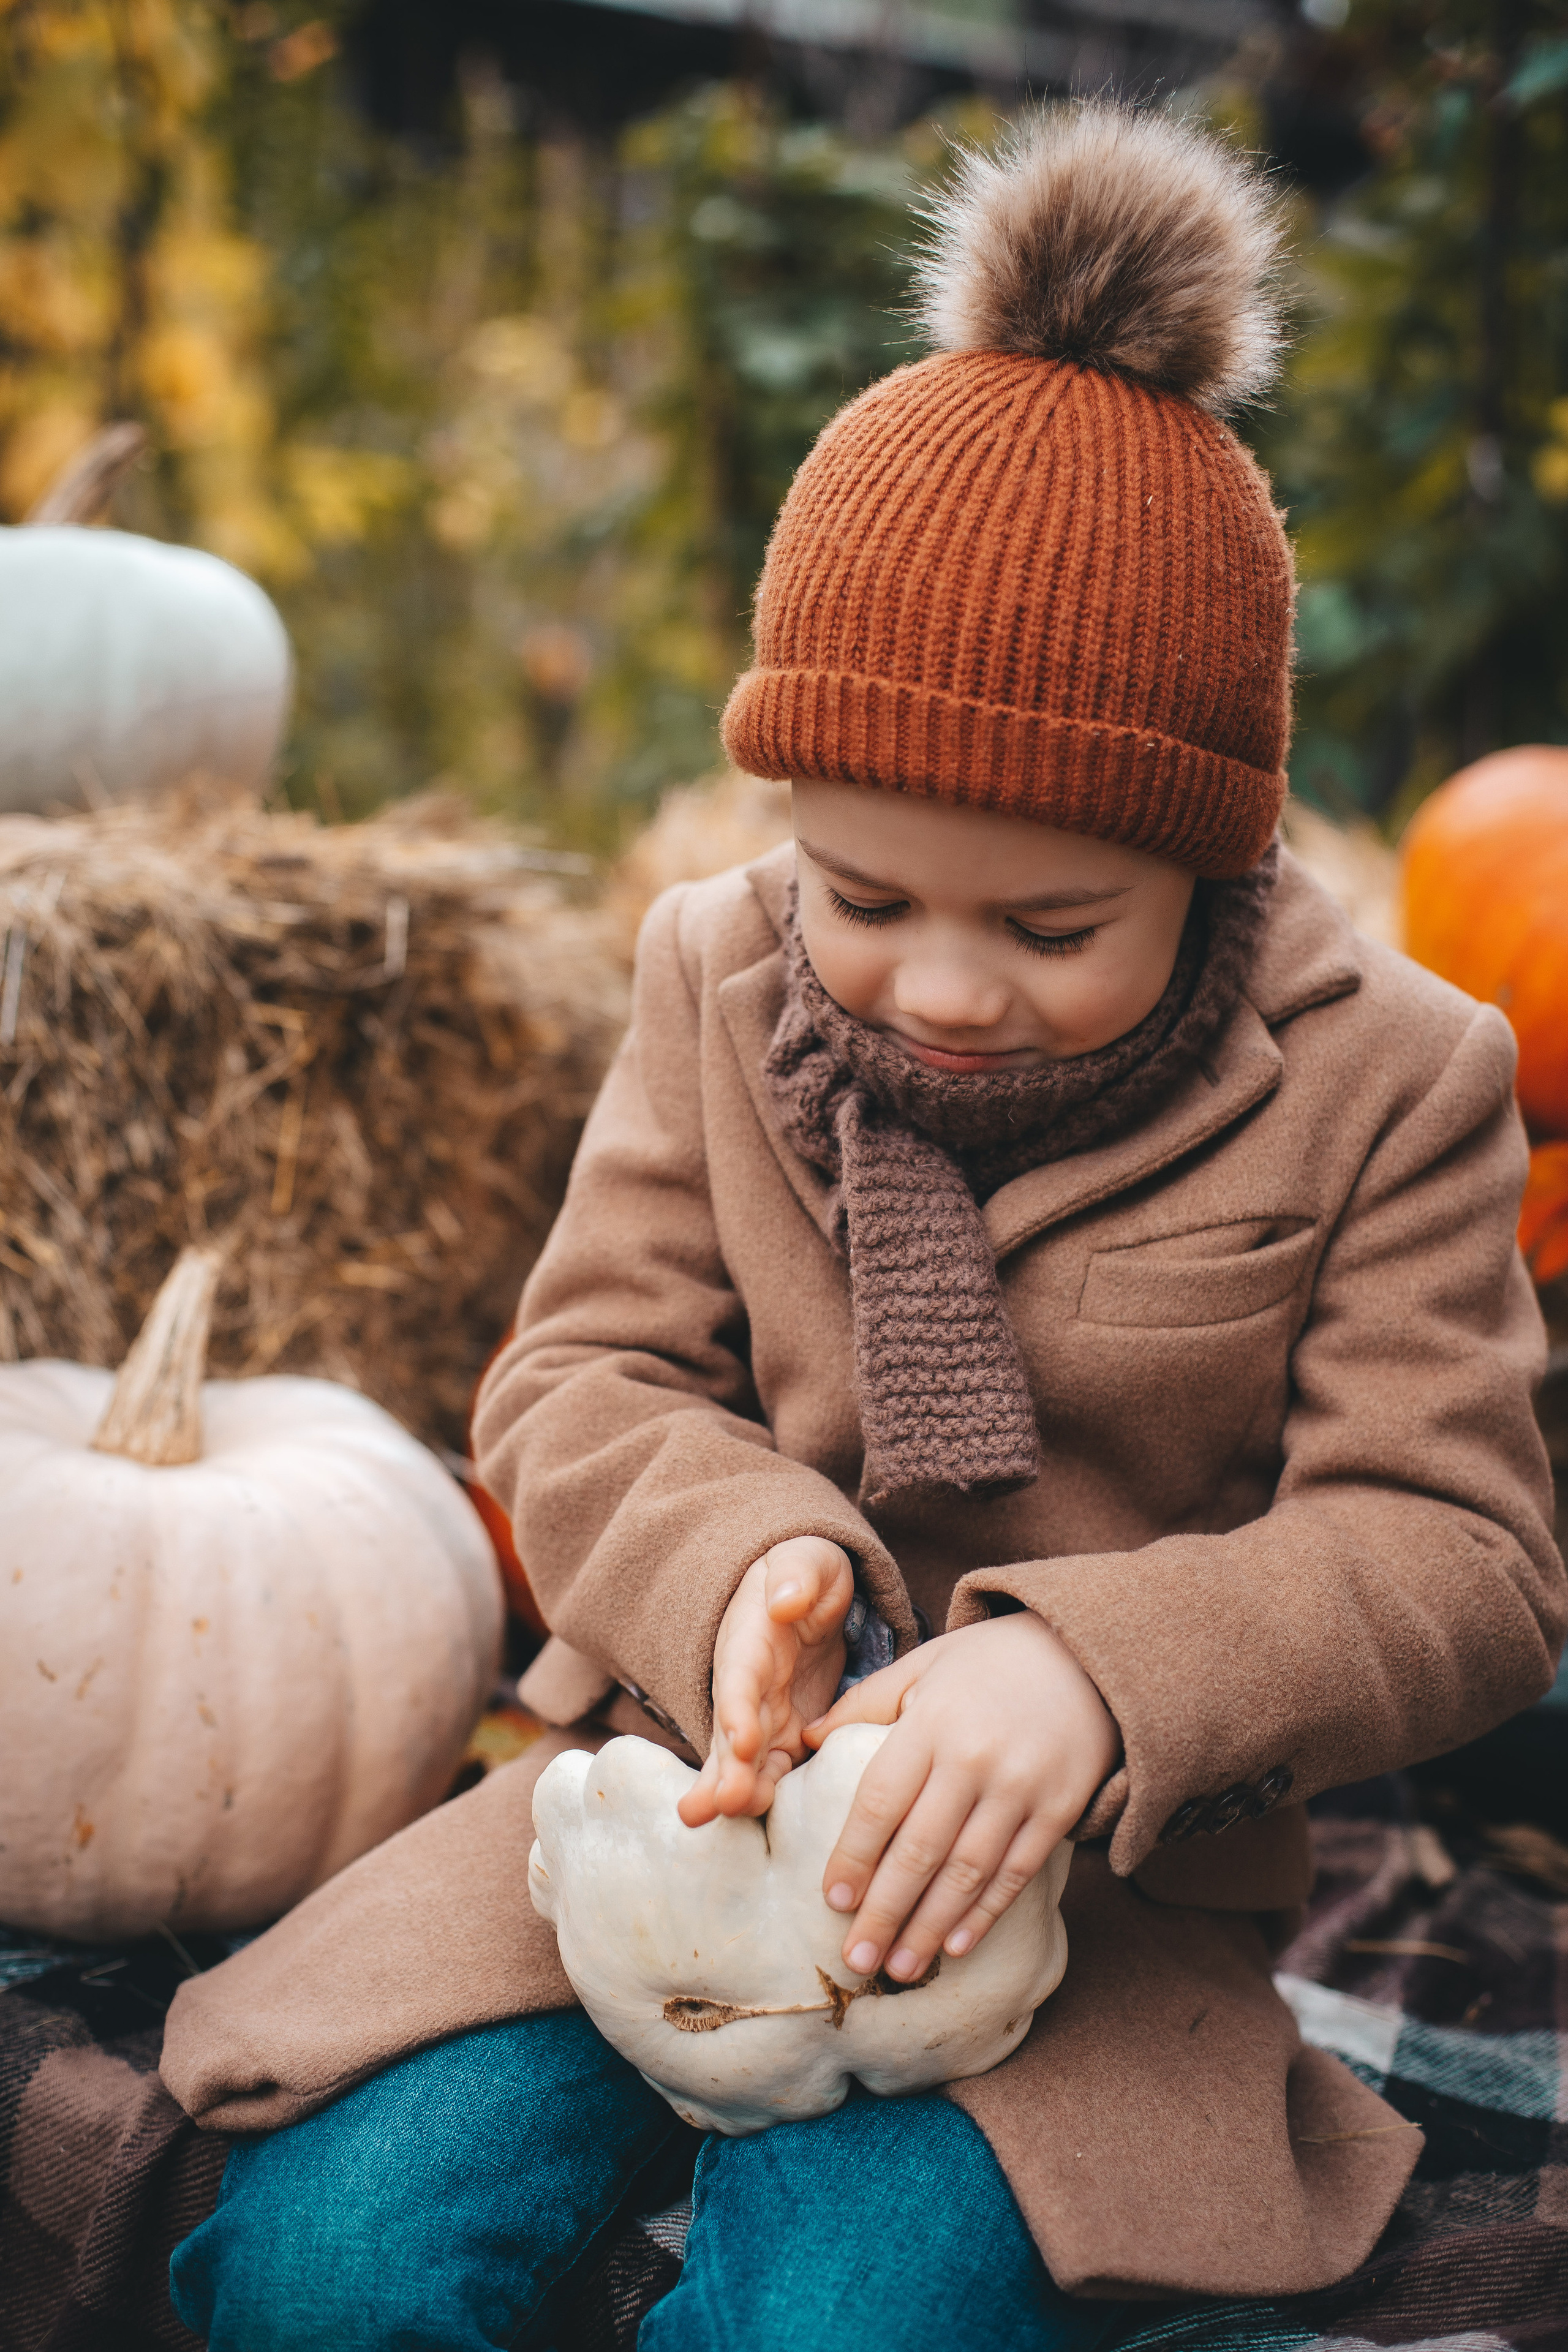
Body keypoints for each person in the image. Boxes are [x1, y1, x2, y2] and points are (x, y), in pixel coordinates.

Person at [166, 102, 1564, 2352]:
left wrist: (1099, 1678)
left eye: (1051, 920)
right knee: (333, 2260)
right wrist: (749, 1567)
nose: (934, 983)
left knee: (848, 2325)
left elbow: (1463, 1553)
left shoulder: (1394, 1079)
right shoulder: (718, 974)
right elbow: (578, 1378)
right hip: (672, 1818)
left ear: (1215, 858)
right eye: (867, 893)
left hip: (1079, 1927)